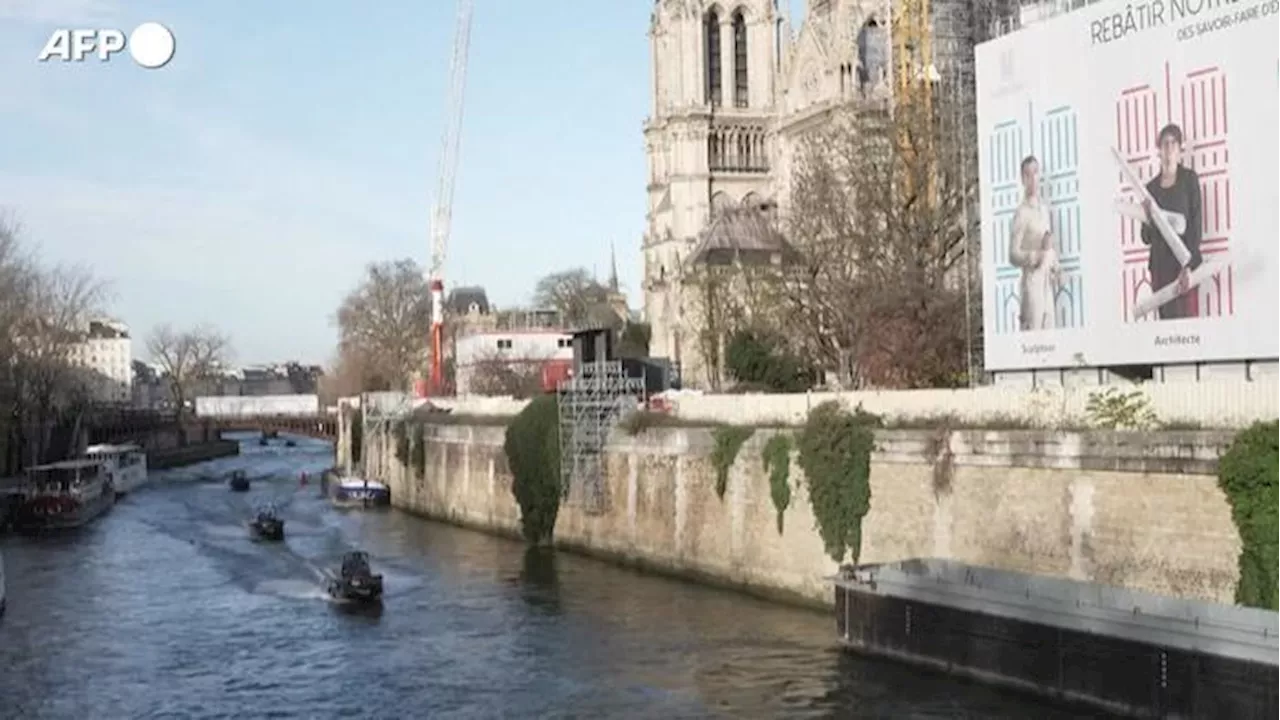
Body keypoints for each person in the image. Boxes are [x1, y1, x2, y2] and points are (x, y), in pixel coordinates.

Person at [1141, 122, 1203, 319]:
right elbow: (1146, 237)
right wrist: (1149, 218)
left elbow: (1196, 227)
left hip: (1185, 266)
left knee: (1188, 331)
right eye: (1164, 143)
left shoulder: (1189, 179)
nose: (1168, 148)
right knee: (1166, 332)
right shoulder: (1150, 188)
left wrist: (1188, 266)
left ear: (1180, 149)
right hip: (1160, 268)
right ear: (1159, 149)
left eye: (1173, 143)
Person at [1008, 155, 1061, 330]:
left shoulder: (1044, 210)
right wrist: (1033, 257)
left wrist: (1055, 266)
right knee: (1032, 341)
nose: (1033, 179)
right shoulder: (1021, 213)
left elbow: (1048, 244)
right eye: (1028, 175)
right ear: (1023, 179)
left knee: (1051, 339)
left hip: (1047, 284)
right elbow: (1013, 254)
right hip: (1032, 284)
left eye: (1036, 173)